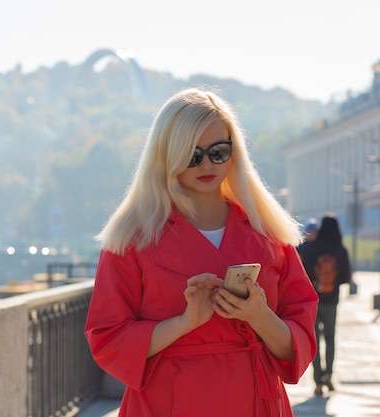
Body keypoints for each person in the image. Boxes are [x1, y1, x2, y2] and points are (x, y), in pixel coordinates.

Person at [84, 87, 318, 417]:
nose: (206, 164)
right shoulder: (131, 237)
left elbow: (299, 342)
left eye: (218, 152)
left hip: (255, 398)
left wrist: (259, 316)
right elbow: (108, 338)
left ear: (234, 153)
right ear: (167, 154)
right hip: (168, 402)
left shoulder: (269, 232)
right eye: (192, 155)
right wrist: (185, 322)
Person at [297, 214, 351, 396]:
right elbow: (345, 278)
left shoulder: (311, 248)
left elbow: (300, 271)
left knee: (315, 339)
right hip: (332, 300)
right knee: (330, 338)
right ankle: (329, 374)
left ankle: (318, 380)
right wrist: (331, 284)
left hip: (313, 301)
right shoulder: (341, 250)